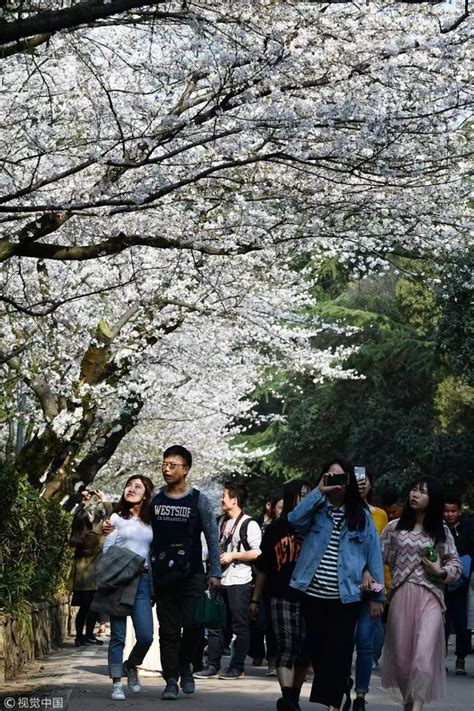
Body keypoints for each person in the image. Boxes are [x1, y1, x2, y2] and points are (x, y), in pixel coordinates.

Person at [288, 458, 384, 711]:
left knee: (338, 652)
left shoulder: (362, 515)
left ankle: (335, 702)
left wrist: (377, 597)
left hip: (347, 598)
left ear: (350, 481)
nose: (337, 483)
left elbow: (374, 557)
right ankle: (340, 689)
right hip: (313, 594)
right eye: (331, 477)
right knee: (318, 652)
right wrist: (318, 492)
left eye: (341, 477)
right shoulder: (316, 510)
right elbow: (293, 520)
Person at [380, 477, 462, 711]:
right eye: (413, 489)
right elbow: (376, 559)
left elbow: (455, 563)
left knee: (424, 656)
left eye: (422, 492)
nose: (415, 494)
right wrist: (374, 589)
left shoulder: (441, 531)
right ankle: (409, 702)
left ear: (432, 499)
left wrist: (440, 571)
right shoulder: (393, 528)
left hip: (431, 596)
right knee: (403, 661)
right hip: (400, 595)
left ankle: (417, 707)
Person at [149, 445, 221, 700]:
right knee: (168, 631)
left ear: (186, 469)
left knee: (192, 626)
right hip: (162, 575)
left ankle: (185, 666)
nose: (166, 469)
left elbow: (213, 538)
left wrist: (216, 572)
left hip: (192, 574)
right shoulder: (155, 497)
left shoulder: (198, 500)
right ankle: (170, 679)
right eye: (164, 464)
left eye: (172, 465)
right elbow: (143, 531)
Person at [252, 479, 311, 711]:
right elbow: (264, 569)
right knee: (286, 646)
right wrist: (255, 599)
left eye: (308, 495)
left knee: (305, 650)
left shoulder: (316, 527)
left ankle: (294, 696)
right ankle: (287, 697)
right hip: (281, 594)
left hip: (310, 595)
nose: (305, 499)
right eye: (300, 495)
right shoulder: (276, 529)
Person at [195, 481, 262, 680]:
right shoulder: (219, 521)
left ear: (234, 500)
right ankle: (213, 664)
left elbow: (257, 553)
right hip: (218, 579)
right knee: (214, 623)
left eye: (224, 496)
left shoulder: (249, 524)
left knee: (239, 625)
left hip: (239, 580)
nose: (221, 499)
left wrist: (233, 556)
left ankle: (237, 666)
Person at [98, 475, 155, 700]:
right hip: (120, 581)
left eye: (137, 487)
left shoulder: (152, 521)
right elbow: (107, 550)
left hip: (143, 581)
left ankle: (131, 665)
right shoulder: (115, 518)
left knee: (146, 636)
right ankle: (116, 683)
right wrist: (127, 565)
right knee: (118, 636)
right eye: (129, 485)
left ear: (146, 494)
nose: (131, 489)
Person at [351, 469, 389, 711]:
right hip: (347, 584)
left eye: (365, 481)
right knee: (344, 643)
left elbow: (381, 555)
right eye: (356, 482)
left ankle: (361, 696)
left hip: (373, 587)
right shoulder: (342, 513)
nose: (361, 485)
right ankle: (341, 687)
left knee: (365, 643)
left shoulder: (380, 515)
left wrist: (382, 592)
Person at [443, 496, 474, 675]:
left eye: (453, 511)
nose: (450, 514)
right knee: (442, 623)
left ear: (459, 511)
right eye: (447, 511)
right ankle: (440, 659)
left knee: (463, 623)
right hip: (443, 580)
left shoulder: (468, 528)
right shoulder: (439, 529)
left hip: (464, 583)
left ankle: (461, 659)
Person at [69, 506, 106, 647]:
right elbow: (108, 517)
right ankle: (89, 636)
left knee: (83, 610)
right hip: (91, 580)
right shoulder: (92, 537)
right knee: (93, 609)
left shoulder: (77, 537)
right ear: (86, 520)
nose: (92, 516)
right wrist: (104, 501)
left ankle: (79, 637)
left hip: (80, 581)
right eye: (89, 515)